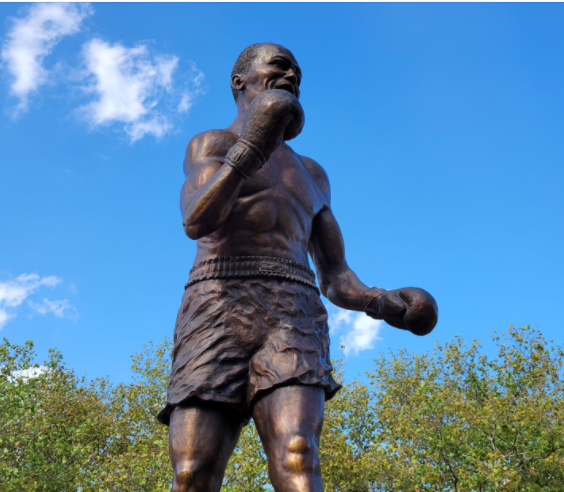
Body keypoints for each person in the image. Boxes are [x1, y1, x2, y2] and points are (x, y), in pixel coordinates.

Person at [158, 42, 438, 492]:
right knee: (193, 471)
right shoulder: (212, 143)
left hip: (293, 311)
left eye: (297, 74)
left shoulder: (313, 174)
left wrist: (383, 302)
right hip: (217, 304)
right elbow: (196, 218)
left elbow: (336, 275)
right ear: (240, 82)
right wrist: (251, 148)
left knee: (297, 453)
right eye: (280, 67)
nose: (291, 77)